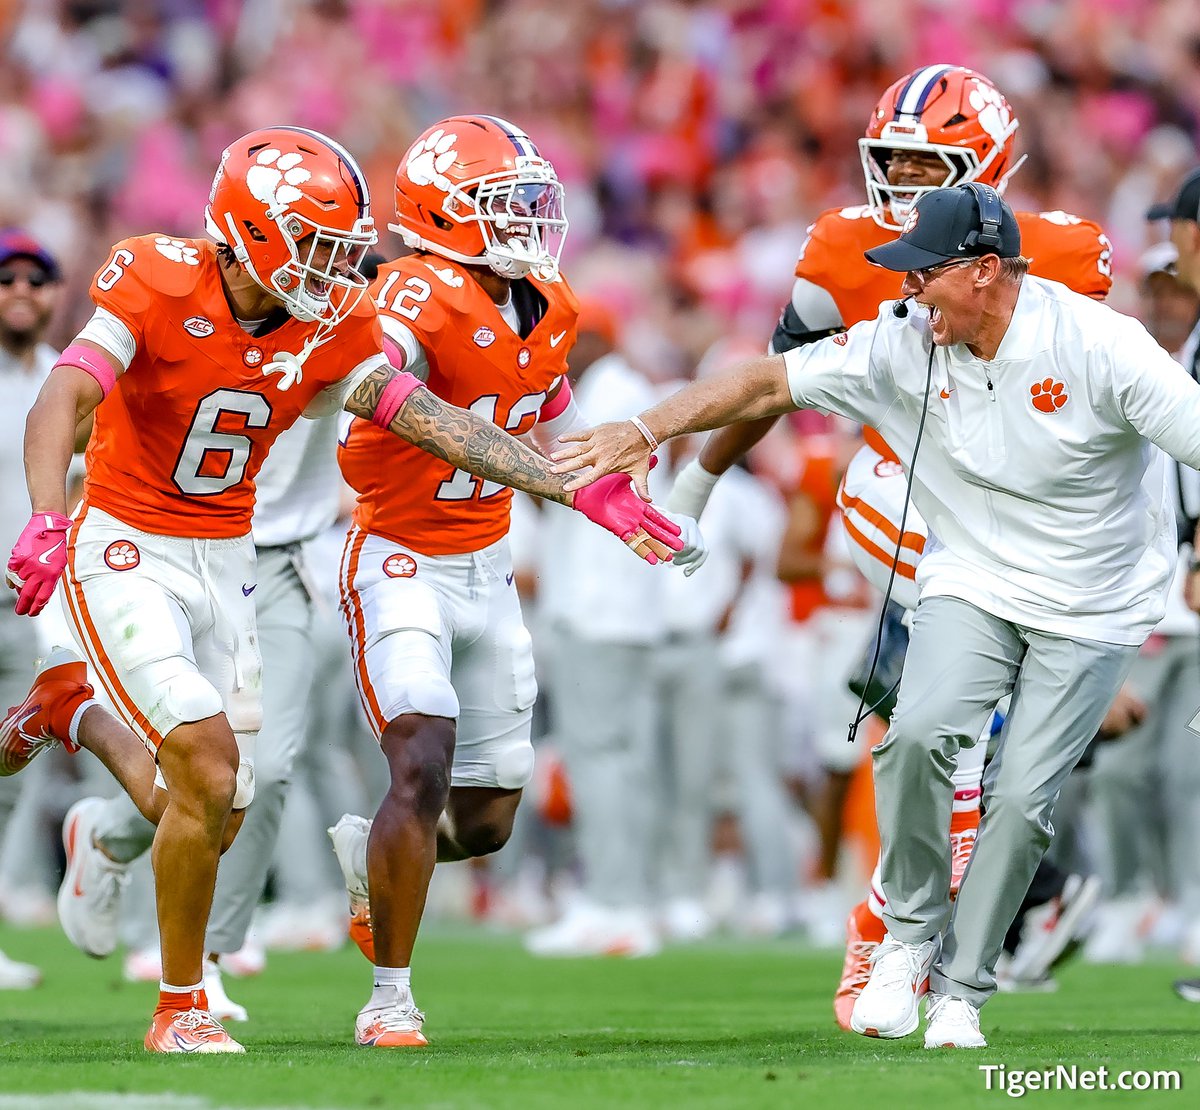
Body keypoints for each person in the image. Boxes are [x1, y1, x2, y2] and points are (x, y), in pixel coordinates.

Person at [0, 125, 680, 1055]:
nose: (339, 266)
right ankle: (180, 1006)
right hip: (124, 539)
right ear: (250, 231)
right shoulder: (154, 273)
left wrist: (566, 481)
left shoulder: (337, 321)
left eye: (345, 245)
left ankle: (70, 710)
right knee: (205, 764)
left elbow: (426, 417)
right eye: (317, 245)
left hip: (228, 552)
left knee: (219, 803)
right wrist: (46, 514)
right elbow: (63, 393)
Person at [550, 181, 1200, 1049]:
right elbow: (764, 383)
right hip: (974, 576)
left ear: (981, 273)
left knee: (1022, 799)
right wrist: (647, 429)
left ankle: (964, 991)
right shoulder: (902, 341)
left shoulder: (1098, 345)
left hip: (1095, 598)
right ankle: (904, 943)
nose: (906, 292)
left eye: (922, 275)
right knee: (917, 735)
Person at [659, 63, 1115, 1026]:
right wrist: (697, 480)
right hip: (906, 494)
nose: (905, 185)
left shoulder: (1069, 255)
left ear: (988, 166)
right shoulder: (842, 246)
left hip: (1037, 518)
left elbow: (1117, 395)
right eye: (894, 162)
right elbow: (776, 378)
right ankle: (918, 898)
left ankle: (920, 900)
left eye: (930, 164)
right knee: (935, 704)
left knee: (969, 732)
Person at [326, 121, 698, 1044]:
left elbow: (548, 423)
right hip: (399, 556)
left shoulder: (548, 299)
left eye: (534, 199)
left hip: (486, 566)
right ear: (441, 215)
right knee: (420, 760)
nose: (531, 219)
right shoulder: (414, 288)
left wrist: (608, 482)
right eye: (506, 203)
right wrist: (560, 481)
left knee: (486, 821)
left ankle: (376, 866)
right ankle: (390, 998)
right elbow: (378, 390)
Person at [0, 230, 67, 990]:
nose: (21, 290)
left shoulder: (64, 378)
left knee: (9, 767)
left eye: (36, 278)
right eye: (6, 277)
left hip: (23, 604)